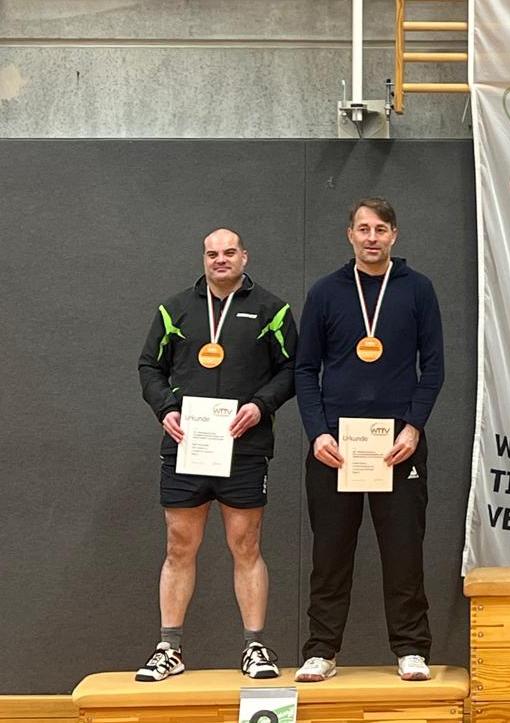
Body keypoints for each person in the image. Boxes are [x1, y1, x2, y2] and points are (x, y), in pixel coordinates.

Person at [294, 197, 444, 682]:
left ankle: (411, 648)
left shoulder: (418, 289)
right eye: (363, 228)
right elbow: (304, 369)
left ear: (394, 235)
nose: (372, 237)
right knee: (330, 553)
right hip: (335, 449)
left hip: (398, 445)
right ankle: (321, 650)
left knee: (403, 551)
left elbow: (433, 367)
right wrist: (317, 433)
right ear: (350, 235)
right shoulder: (325, 292)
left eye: (381, 229)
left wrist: (414, 426)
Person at [136, 228, 297, 680]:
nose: (220, 259)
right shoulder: (174, 310)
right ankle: (169, 648)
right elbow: (149, 366)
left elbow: (292, 369)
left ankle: (255, 647)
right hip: (188, 444)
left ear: (244, 256)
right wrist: (166, 409)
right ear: (203, 259)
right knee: (179, 545)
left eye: (229, 252)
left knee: (246, 545)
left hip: (244, 447)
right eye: (212, 254)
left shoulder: (272, 310)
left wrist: (260, 405)